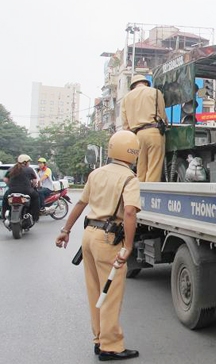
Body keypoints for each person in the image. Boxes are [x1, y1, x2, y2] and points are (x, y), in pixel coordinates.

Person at [55, 131, 141, 361]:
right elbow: (130, 212)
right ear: (134, 153)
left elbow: (81, 203)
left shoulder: (96, 173)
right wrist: (129, 246)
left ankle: (99, 339)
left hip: (89, 236)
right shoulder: (129, 178)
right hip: (109, 239)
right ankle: (110, 346)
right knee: (110, 293)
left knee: (95, 291)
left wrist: (65, 231)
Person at [120, 74, 167, 182]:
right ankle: (151, 192)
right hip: (154, 132)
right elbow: (163, 114)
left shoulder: (126, 98)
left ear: (133, 86)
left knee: (141, 167)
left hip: (137, 136)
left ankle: (140, 192)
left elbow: (125, 124)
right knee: (154, 167)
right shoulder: (155, 92)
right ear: (146, 83)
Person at [2, 154, 40, 223]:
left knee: (5, 199)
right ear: (25, 162)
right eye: (29, 162)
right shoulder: (29, 169)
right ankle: (35, 217)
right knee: (36, 197)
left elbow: (5, 179)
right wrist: (33, 186)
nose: (29, 163)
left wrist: (10, 185)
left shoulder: (11, 169)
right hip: (26, 190)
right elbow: (34, 181)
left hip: (12, 191)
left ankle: (4, 217)